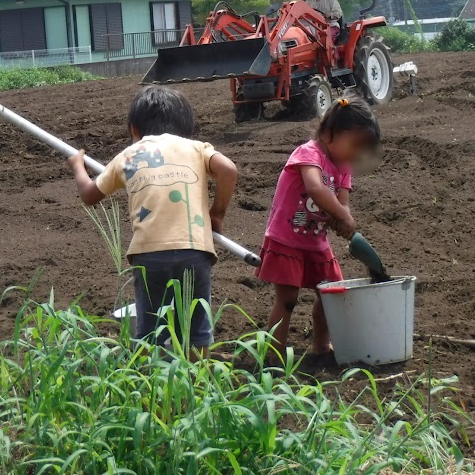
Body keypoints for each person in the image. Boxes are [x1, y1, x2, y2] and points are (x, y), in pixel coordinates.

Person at [69, 85, 238, 357]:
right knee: (195, 330)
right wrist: (216, 214)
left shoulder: (128, 155)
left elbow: (89, 195)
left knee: (149, 330)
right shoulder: (195, 148)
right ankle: (198, 388)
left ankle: (150, 389)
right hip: (194, 250)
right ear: (185, 127)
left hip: (149, 254)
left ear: (134, 128)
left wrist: (78, 165)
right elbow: (228, 171)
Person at [255, 96, 380, 363]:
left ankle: (321, 347)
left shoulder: (344, 168)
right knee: (287, 299)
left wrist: (344, 221)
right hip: (287, 237)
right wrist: (342, 216)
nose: (356, 154)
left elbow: (342, 205)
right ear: (329, 132)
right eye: (354, 144)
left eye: (362, 149)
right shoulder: (308, 153)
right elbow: (315, 187)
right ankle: (273, 357)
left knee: (330, 295)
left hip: (316, 242)